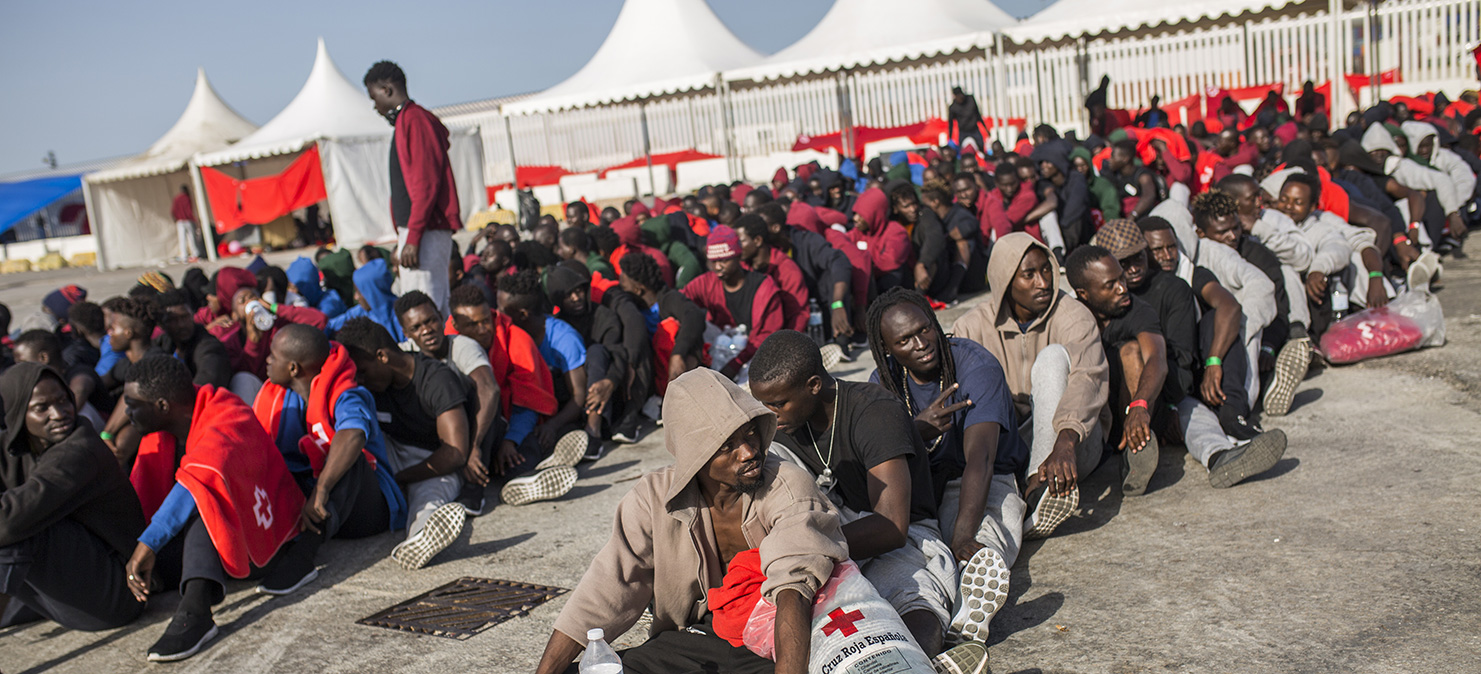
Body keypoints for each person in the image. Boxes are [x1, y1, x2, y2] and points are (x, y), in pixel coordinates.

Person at [534, 369, 848, 674]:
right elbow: (608, 588)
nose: (750, 451)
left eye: (751, 432)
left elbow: (794, 588)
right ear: (696, 456)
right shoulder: (653, 499)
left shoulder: (789, 485)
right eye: (728, 446)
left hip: (775, 636)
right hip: (691, 640)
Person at [749, 331, 954, 654]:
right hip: (828, 535)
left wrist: (806, 549)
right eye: (763, 404)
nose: (770, 414)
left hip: (897, 537)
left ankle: (925, 659)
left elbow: (892, 527)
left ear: (814, 385)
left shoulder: (874, 410)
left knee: (909, 591)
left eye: (778, 404)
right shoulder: (782, 427)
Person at [865, 289, 1025, 644]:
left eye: (924, 329)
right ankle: (933, 618)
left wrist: (964, 535)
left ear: (936, 324)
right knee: (915, 557)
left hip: (983, 475)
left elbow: (980, 459)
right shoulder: (883, 383)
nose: (921, 343)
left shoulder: (976, 366)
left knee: (983, 537)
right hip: (925, 485)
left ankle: (971, 608)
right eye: (904, 340)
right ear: (887, 349)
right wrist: (915, 429)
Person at [123, 356, 305, 661]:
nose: (127, 413)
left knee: (204, 497)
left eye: (132, 404)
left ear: (162, 407)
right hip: (223, 546)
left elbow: (200, 476)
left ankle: (196, 612)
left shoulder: (228, 415)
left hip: (263, 542)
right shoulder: (164, 431)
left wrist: (148, 543)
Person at [1064, 247, 1288, 491]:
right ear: (1083, 293)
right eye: (1111, 284)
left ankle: (1211, 456)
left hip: (1142, 412)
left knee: (1174, 395)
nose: (1122, 287)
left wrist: (1140, 406)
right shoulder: (1069, 316)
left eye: (1121, 277)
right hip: (1092, 421)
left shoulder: (1138, 309)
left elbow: (1157, 360)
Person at [951, 234, 1108, 538]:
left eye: (1046, 269)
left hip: (1073, 444)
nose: (1043, 282)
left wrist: (1064, 441)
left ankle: (1039, 483)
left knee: (1051, 358)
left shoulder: (1074, 315)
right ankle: (1024, 515)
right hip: (1009, 443)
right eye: (1029, 274)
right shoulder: (971, 326)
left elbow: (1088, 378)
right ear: (1005, 282)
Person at [252, 325, 406, 592]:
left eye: (273, 356)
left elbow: (353, 434)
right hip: (315, 507)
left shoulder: (347, 393)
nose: (267, 360)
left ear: (294, 368)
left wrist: (322, 489)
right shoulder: (280, 397)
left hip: (365, 512)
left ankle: (303, 558)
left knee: (350, 456)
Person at [0, 363, 145, 632]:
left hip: (118, 593)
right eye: (41, 408)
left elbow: (7, 522)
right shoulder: (15, 446)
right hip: (66, 595)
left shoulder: (80, 450)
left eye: (63, 400)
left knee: (18, 532)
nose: (59, 413)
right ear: (18, 413)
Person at [334, 317, 471, 569]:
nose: (360, 380)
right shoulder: (373, 386)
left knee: (427, 501)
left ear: (382, 357)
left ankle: (420, 538)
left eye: (363, 371)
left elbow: (455, 453)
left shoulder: (435, 379)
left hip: (433, 461)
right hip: (389, 451)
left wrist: (401, 478)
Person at [365, 60, 460, 314]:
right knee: (423, 304)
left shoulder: (415, 121)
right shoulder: (407, 121)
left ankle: (435, 355)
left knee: (426, 309)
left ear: (386, 90)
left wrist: (414, 237)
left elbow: (426, 184)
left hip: (426, 229)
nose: (375, 107)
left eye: (374, 98)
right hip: (419, 229)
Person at [394, 291, 502, 508]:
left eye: (430, 320)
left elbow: (490, 389)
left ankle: (474, 489)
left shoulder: (462, 346)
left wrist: (473, 446)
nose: (426, 330)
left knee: (480, 396)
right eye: (416, 328)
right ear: (406, 333)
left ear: (442, 317)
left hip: (478, 432)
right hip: (441, 437)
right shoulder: (405, 354)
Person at [494, 271, 591, 493]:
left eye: (502, 309)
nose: (498, 314)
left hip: (556, 417)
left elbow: (579, 396)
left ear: (523, 314)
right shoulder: (510, 335)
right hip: (524, 414)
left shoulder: (564, 339)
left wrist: (552, 425)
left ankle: (534, 476)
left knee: (525, 453)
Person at [543, 262, 649, 449]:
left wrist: (610, 381)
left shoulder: (604, 316)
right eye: (568, 295)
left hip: (609, 390)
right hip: (576, 394)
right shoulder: (558, 328)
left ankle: (593, 431)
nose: (576, 298)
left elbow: (616, 351)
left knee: (596, 352)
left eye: (579, 291)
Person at [682, 225, 785, 379]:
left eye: (723, 261)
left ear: (737, 257)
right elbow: (680, 299)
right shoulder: (707, 282)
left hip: (754, 355)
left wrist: (735, 365)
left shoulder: (764, 287)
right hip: (721, 349)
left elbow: (768, 335)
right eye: (713, 262)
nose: (718, 267)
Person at [757, 202, 855, 346]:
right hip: (794, 310)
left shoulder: (808, 241)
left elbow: (839, 262)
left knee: (832, 277)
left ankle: (839, 337)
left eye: (761, 227)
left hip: (819, 307)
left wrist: (837, 303)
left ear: (776, 228)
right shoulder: (767, 252)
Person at [620, 251, 708, 392]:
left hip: (678, 367)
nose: (622, 292)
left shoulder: (668, 299)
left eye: (624, 288)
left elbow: (694, 316)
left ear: (638, 289)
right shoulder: (635, 309)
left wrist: (678, 354)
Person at [735, 214, 808, 332]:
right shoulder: (743, 267)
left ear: (757, 240)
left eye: (741, 241)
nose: (736, 248)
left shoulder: (787, 270)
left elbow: (799, 315)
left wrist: (786, 345)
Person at [920, 178, 987, 299]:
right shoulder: (937, 220)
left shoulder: (961, 216)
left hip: (972, 279)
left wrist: (945, 238)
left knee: (963, 242)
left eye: (926, 204)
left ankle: (951, 290)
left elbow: (969, 227)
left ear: (935, 202)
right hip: (947, 274)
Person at [155, 290, 232, 389]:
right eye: (173, 320)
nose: (181, 325)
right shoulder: (161, 344)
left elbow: (208, 381)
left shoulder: (209, 345)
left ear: (192, 315)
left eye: (185, 317)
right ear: (162, 325)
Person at [851, 187, 914, 293]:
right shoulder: (859, 232)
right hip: (867, 280)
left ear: (874, 215)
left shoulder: (896, 232)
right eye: (855, 214)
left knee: (892, 275)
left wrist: (863, 271)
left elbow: (890, 261)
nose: (856, 219)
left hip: (889, 284)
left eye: (861, 216)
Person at [327, 257, 404, 343]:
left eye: (359, 292)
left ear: (372, 293)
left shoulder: (402, 314)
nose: (356, 297)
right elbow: (331, 325)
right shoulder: (361, 312)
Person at [949, 86, 986, 153]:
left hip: (974, 129)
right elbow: (951, 123)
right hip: (963, 131)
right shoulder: (953, 107)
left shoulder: (970, 99)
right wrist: (950, 138)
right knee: (962, 150)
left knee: (981, 147)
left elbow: (978, 114)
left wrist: (986, 129)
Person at [171, 185, 201, 262]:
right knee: (192, 237)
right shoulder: (187, 198)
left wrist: (176, 219)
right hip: (188, 220)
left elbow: (173, 210)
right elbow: (189, 210)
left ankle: (184, 255)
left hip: (180, 221)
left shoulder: (177, 198)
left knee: (182, 238)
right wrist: (194, 219)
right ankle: (195, 254)